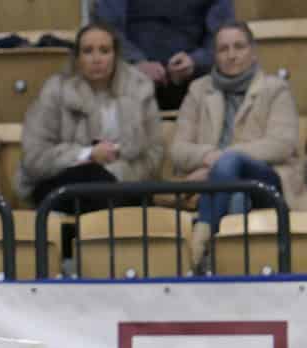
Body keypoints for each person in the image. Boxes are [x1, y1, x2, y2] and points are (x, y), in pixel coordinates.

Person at [171, 21, 305, 273]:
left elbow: (281, 144)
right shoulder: (199, 90)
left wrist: (220, 161)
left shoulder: (275, 89)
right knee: (236, 196)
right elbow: (178, 149)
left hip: (267, 181)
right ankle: (232, 270)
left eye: (239, 47)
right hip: (223, 186)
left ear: (253, 52)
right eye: (223, 49)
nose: (231, 55)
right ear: (215, 55)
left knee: (231, 162)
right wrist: (210, 157)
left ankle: (203, 237)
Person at [18, 21, 164, 213]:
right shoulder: (56, 91)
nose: (97, 59)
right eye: (88, 51)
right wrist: (87, 154)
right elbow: (34, 157)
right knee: (93, 176)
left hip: (122, 181)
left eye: (104, 51)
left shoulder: (138, 90)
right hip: (62, 182)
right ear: (77, 58)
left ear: (116, 56)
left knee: (124, 193)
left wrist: (118, 172)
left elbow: (153, 154)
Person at [94, 0, 234, 111]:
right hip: (130, 78)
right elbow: (108, 27)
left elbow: (221, 33)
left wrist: (196, 61)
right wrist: (136, 62)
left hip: (197, 79)